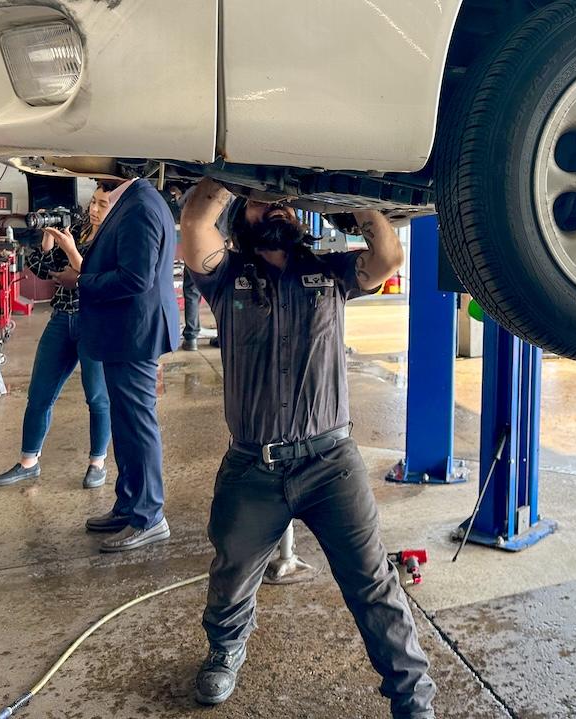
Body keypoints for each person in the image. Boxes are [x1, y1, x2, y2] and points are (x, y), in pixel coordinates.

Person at [179, 178, 434, 717]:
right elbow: (196, 223)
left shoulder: (332, 271)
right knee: (231, 576)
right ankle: (225, 652)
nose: (277, 207)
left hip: (331, 464)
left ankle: (413, 699)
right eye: (262, 200)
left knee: (373, 585)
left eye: (286, 202)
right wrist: (239, 172)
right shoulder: (226, 277)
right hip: (253, 466)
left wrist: (352, 197)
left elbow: (387, 254)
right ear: (242, 213)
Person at [53, 177, 180, 553]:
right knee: (126, 424)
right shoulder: (133, 200)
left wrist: (82, 282)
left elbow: (136, 278)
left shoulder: (139, 206)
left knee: (138, 425)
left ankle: (149, 516)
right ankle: (129, 505)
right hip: (125, 331)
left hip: (134, 334)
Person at [0, 183, 117, 489]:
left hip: (95, 321)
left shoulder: (116, 238)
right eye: (94, 202)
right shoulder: (80, 227)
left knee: (98, 397)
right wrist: (49, 237)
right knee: (39, 394)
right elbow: (42, 270)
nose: (96, 210)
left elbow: (95, 277)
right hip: (62, 318)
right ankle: (28, 462)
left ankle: (97, 462)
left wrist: (71, 252)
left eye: (104, 204)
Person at [166, 184, 204, 351]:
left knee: (191, 293)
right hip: (222, 249)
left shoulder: (197, 190)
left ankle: (191, 337)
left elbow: (179, 207)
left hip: (198, 249)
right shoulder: (229, 196)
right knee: (220, 294)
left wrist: (178, 195)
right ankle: (221, 336)